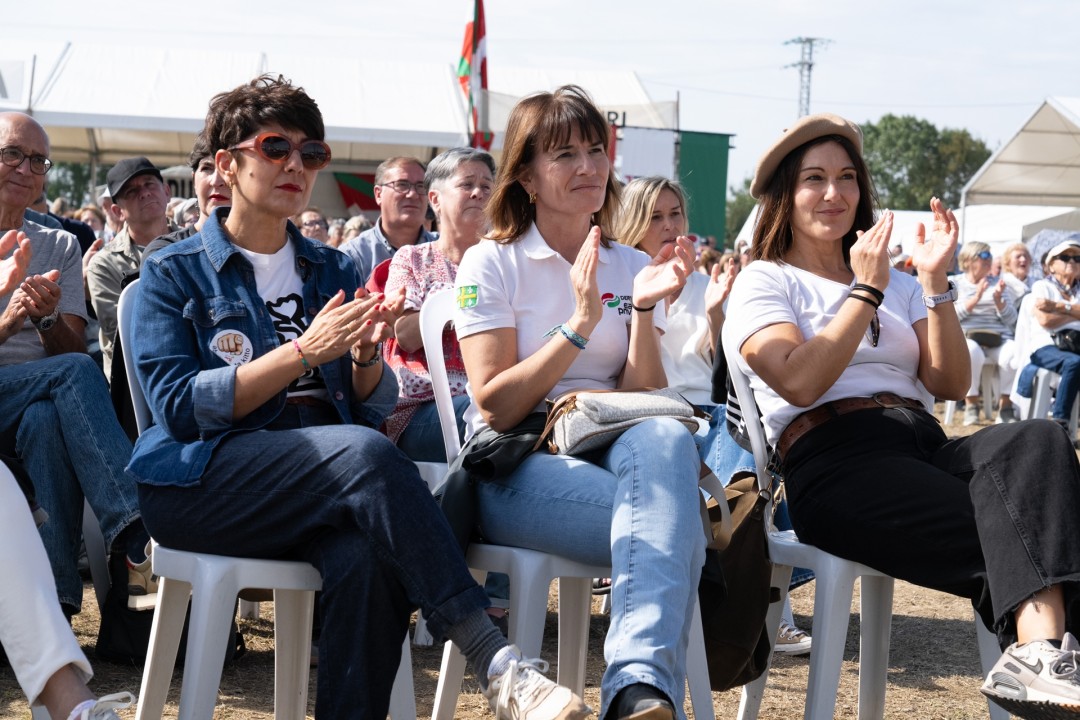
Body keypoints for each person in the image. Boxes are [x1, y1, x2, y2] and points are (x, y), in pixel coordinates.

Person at [128, 75, 588, 720]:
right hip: (202, 480)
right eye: (275, 147)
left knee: (369, 558)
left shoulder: (333, 268)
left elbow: (367, 404)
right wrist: (300, 353)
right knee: (365, 453)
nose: (296, 165)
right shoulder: (173, 271)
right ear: (228, 164)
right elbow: (178, 408)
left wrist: (367, 358)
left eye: (311, 153)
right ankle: (494, 659)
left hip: (317, 483)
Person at [724, 111, 1080, 720]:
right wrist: (864, 291)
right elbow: (799, 381)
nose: (834, 193)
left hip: (923, 443)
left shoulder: (904, 283)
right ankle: (1044, 654)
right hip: (833, 456)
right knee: (1048, 529)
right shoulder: (766, 279)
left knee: (1040, 437)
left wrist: (935, 281)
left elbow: (950, 382)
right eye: (814, 178)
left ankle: (1041, 656)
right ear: (785, 193)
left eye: (846, 177)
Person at [454, 85, 705, 720]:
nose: (589, 167)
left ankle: (635, 690)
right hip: (516, 464)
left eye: (596, 150)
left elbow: (644, 399)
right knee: (678, 528)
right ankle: (642, 691)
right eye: (565, 154)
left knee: (667, 436)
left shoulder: (629, 262)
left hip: (613, 449)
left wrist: (641, 308)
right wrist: (580, 325)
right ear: (526, 177)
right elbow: (496, 406)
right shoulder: (492, 261)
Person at [616, 176, 813, 658]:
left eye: (675, 215)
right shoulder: (620, 282)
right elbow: (636, 379)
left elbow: (725, 371)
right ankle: (759, 610)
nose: (669, 226)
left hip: (708, 409)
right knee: (736, 448)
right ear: (632, 223)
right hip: (651, 414)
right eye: (655, 216)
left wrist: (716, 318)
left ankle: (754, 603)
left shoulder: (706, 284)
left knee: (753, 441)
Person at [0, 111, 150, 618]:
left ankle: (56, 607)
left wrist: (44, 319)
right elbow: (72, 366)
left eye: (38, 160)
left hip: (32, 402)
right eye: (12, 154)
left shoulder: (61, 243)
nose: (26, 169)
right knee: (77, 372)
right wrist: (7, 322)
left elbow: (67, 347)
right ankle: (134, 526)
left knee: (46, 419)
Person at [383, 147, 494, 461]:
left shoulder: (505, 263)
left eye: (487, 186)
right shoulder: (412, 258)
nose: (478, 193)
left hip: (490, 399)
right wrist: (466, 299)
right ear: (435, 199)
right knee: (494, 416)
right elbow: (405, 333)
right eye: (467, 184)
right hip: (422, 410)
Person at [86, 156, 172, 381]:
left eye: (149, 184)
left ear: (166, 192)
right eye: (131, 192)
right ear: (117, 212)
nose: (144, 193)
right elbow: (125, 331)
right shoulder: (104, 265)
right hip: (136, 380)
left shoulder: (196, 243)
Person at [340, 156, 435, 284]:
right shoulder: (353, 256)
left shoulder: (448, 250)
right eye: (402, 185)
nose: (413, 194)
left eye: (421, 186)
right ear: (378, 194)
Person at [141, 132, 232, 265]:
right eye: (207, 168)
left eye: (227, 168)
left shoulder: (263, 249)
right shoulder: (165, 255)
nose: (216, 181)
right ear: (194, 180)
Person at [954, 241, 1019, 425]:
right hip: (968, 337)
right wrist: (976, 298)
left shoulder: (999, 284)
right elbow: (951, 316)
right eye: (984, 255)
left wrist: (999, 301)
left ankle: (1005, 408)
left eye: (990, 255)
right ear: (968, 259)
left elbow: (1012, 320)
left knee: (1015, 352)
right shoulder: (955, 283)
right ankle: (971, 406)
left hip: (997, 338)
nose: (989, 259)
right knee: (971, 351)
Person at [1026, 240, 1080, 433]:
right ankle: (1060, 422)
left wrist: (1057, 306)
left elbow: (1051, 315)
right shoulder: (1042, 286)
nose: (1072, 261)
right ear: (1051, 266)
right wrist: (1074, 313)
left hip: (1076, 345)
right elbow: (1045, 321)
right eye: (1065, 257)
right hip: (1046, 346)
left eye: (1077, 258)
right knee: (1074, 362)